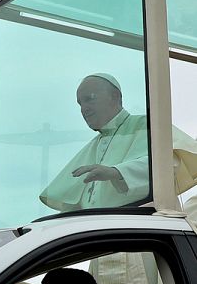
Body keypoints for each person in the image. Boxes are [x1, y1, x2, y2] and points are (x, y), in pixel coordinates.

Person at [40, 73, 197, 211]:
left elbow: (169, 165)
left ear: (115, 96)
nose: (84, 109)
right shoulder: (93, 147)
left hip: (146, 230)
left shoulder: (147, 126)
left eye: (89, 99)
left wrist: (116, 172)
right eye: (80, 103)